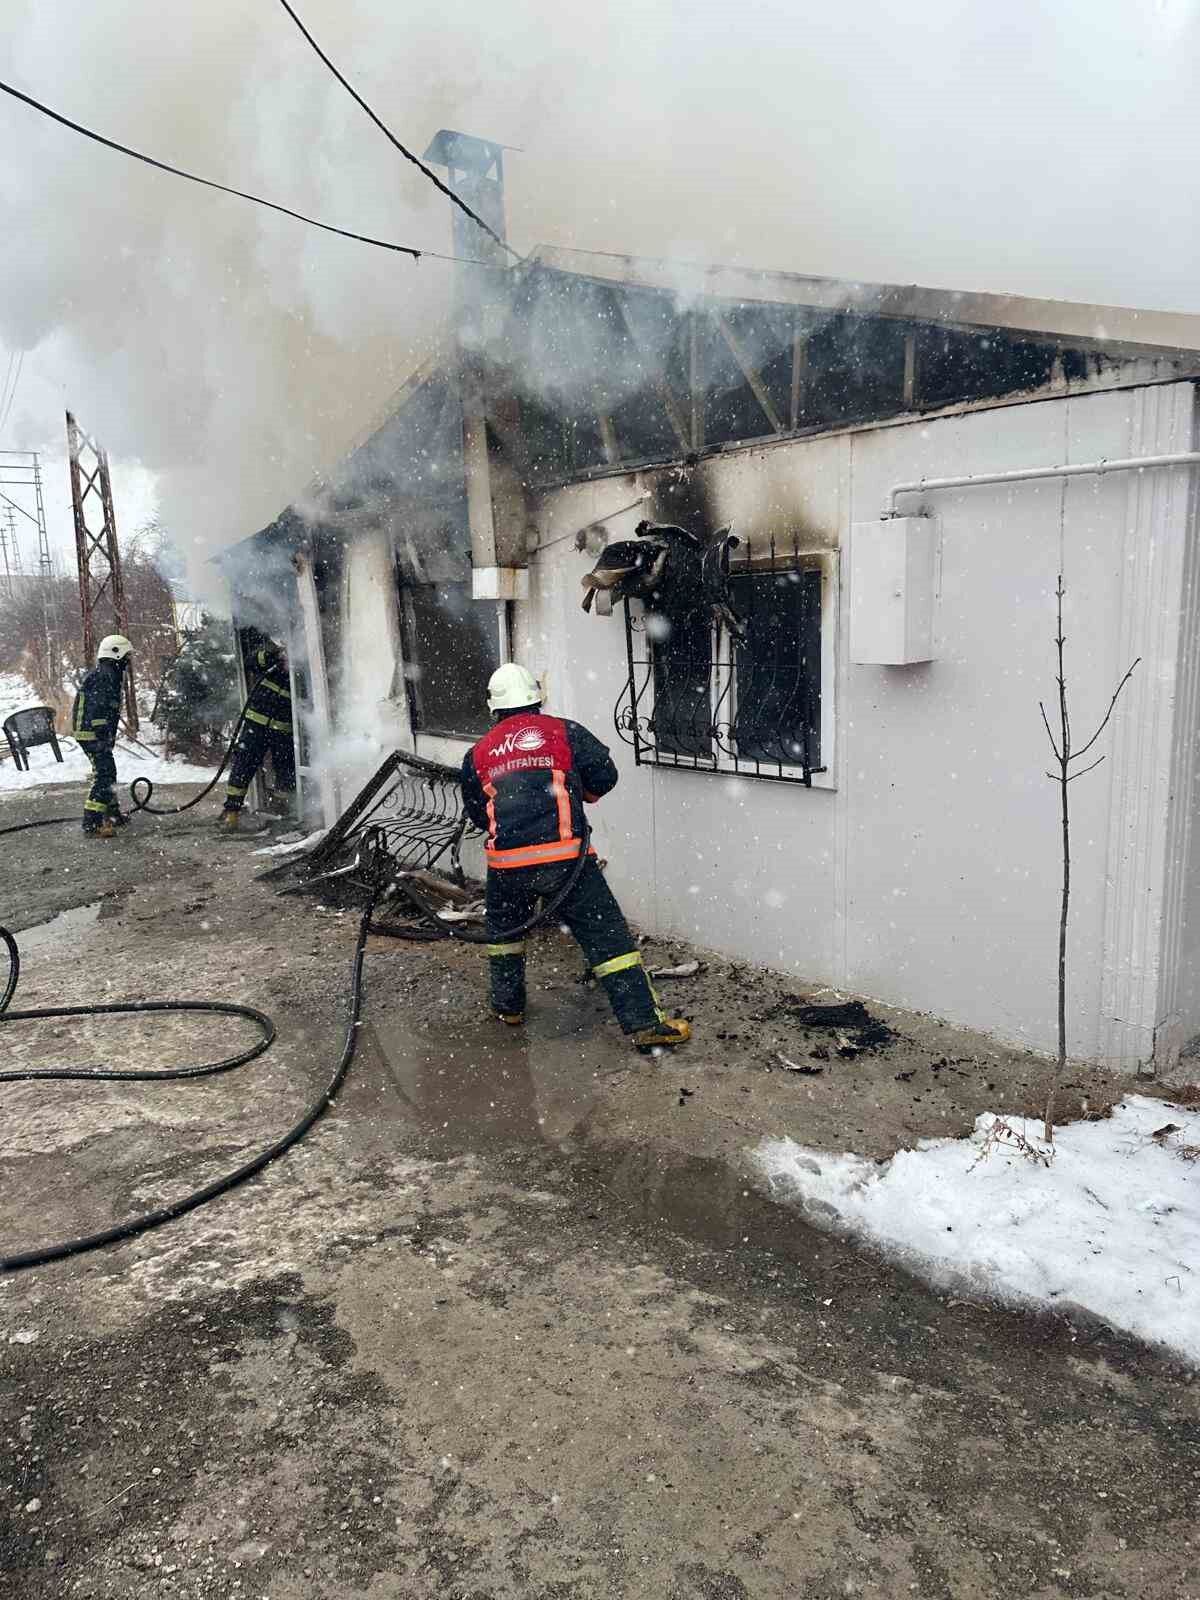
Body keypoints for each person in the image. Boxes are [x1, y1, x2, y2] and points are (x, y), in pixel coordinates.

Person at [461, 662, 691, 1054]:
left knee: (504, 936)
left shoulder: (479, 752)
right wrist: (576, 794)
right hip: (567, 863)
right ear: (536, 699)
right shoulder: (563, 732)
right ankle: (644, 1024)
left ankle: (508, 1007)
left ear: (494, 708)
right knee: (608, 940)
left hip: (506, 867)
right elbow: (605, 775)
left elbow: (478, 811)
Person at [221, 639, 296, 831]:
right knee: (243, 765)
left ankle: (281, 806)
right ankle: (232, 813)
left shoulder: (301, 670)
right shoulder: (274, 658)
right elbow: (251, 662)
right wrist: (275, 657)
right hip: (257, 723)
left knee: (285, 768)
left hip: (283, 729)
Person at [71, 634, 133, 839]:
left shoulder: (108, 672)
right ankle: (92, 822)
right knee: (105, 774)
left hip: (94, 733)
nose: (128, 661)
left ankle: (112, 813)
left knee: (107, 771)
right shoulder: (105, 675)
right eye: (126, 656)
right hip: (91, 733)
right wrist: (101, 733)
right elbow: (98, 707)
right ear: (116, 653)